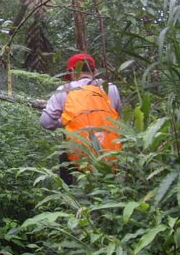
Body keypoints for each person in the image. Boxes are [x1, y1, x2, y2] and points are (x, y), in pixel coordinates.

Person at [40, 53, 122, 184]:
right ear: (94, 71)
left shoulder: (64, 90)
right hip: (109, 152)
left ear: (72, 71)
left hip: (76, 155)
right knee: (111, 190)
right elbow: (118, 118)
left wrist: (66, 120)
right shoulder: (110, 88)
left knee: (78, 192)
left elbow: (46, 122)